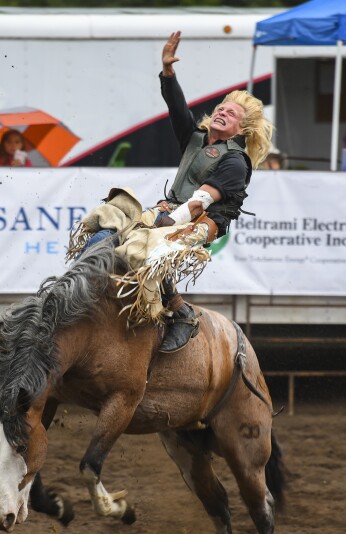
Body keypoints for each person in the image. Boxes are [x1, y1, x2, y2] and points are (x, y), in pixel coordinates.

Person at [68, 31, 273, 353]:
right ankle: (72, 291)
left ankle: (181, 313)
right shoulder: (195, 139)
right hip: (170, 209)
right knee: (104, 233)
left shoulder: (237, 161)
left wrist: (163, 222)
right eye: (221, 107)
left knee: (149, 249)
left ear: (242, 129)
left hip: (203, 221)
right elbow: (177, 107)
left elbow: (200, 201)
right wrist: (168, 72)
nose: (222, 112)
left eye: (231, 113)